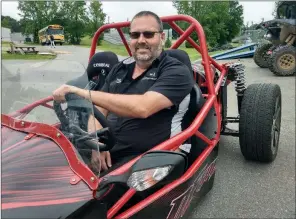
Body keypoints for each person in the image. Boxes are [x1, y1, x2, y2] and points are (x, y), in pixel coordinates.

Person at [53, 11, 195, 174]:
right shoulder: (120, 69)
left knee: (97, 196)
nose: (141, 40)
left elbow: (142, 108)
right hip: (107, 147)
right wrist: (96, 141)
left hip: (148, 157)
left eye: (148, 34)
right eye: (135, 35)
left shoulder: (176, 70)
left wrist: (81, 92)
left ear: (162, 37)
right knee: (51, 164)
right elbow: (99, 109)